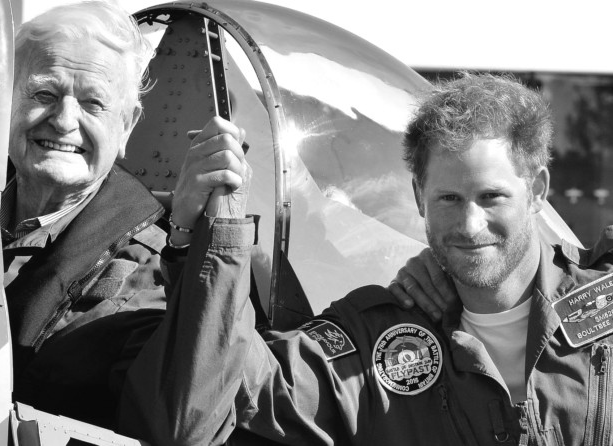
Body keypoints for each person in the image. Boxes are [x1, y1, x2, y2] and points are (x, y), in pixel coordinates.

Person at [122, 72, 613, 446]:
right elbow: (210, 406)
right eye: (448, 199)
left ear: (538, 192)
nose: (469, 224)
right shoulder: (369, 336)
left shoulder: (602, 301)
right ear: (419, 196)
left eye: (491, 197)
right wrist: (213, 236)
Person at [3, 0, 248, 430]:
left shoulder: (143, 275)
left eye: (93, 103)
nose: (63, 120)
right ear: (5, 100)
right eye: (44, 93)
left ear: (127, 126)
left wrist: (215, 232)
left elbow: (181, 426)